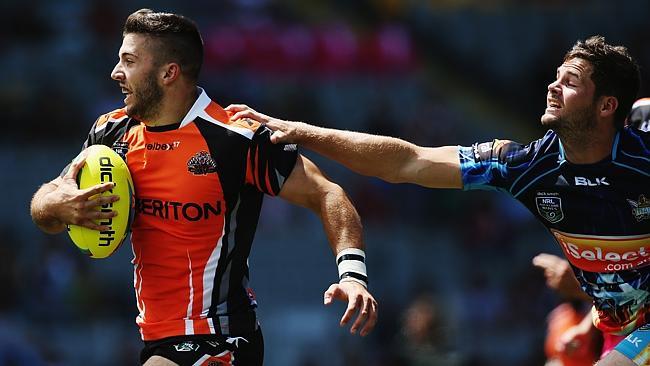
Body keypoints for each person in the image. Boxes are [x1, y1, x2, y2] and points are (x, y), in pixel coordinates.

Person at [226, 35, 650, 365]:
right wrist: (301, 131)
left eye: (570, 82)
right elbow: (406, 162)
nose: (553, 87)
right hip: (618, 327)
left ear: (606, 105)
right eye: (555, 76)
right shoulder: (524, 166)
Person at [29, 9, 377, 366]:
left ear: (169, 73)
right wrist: (58, 206)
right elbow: (48, 199)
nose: (116, 72)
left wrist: (353, 275)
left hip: (223, 337)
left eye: (129, 61)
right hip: (156, 337)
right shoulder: (110, 133)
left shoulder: (235, 137)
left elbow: (327, 192)